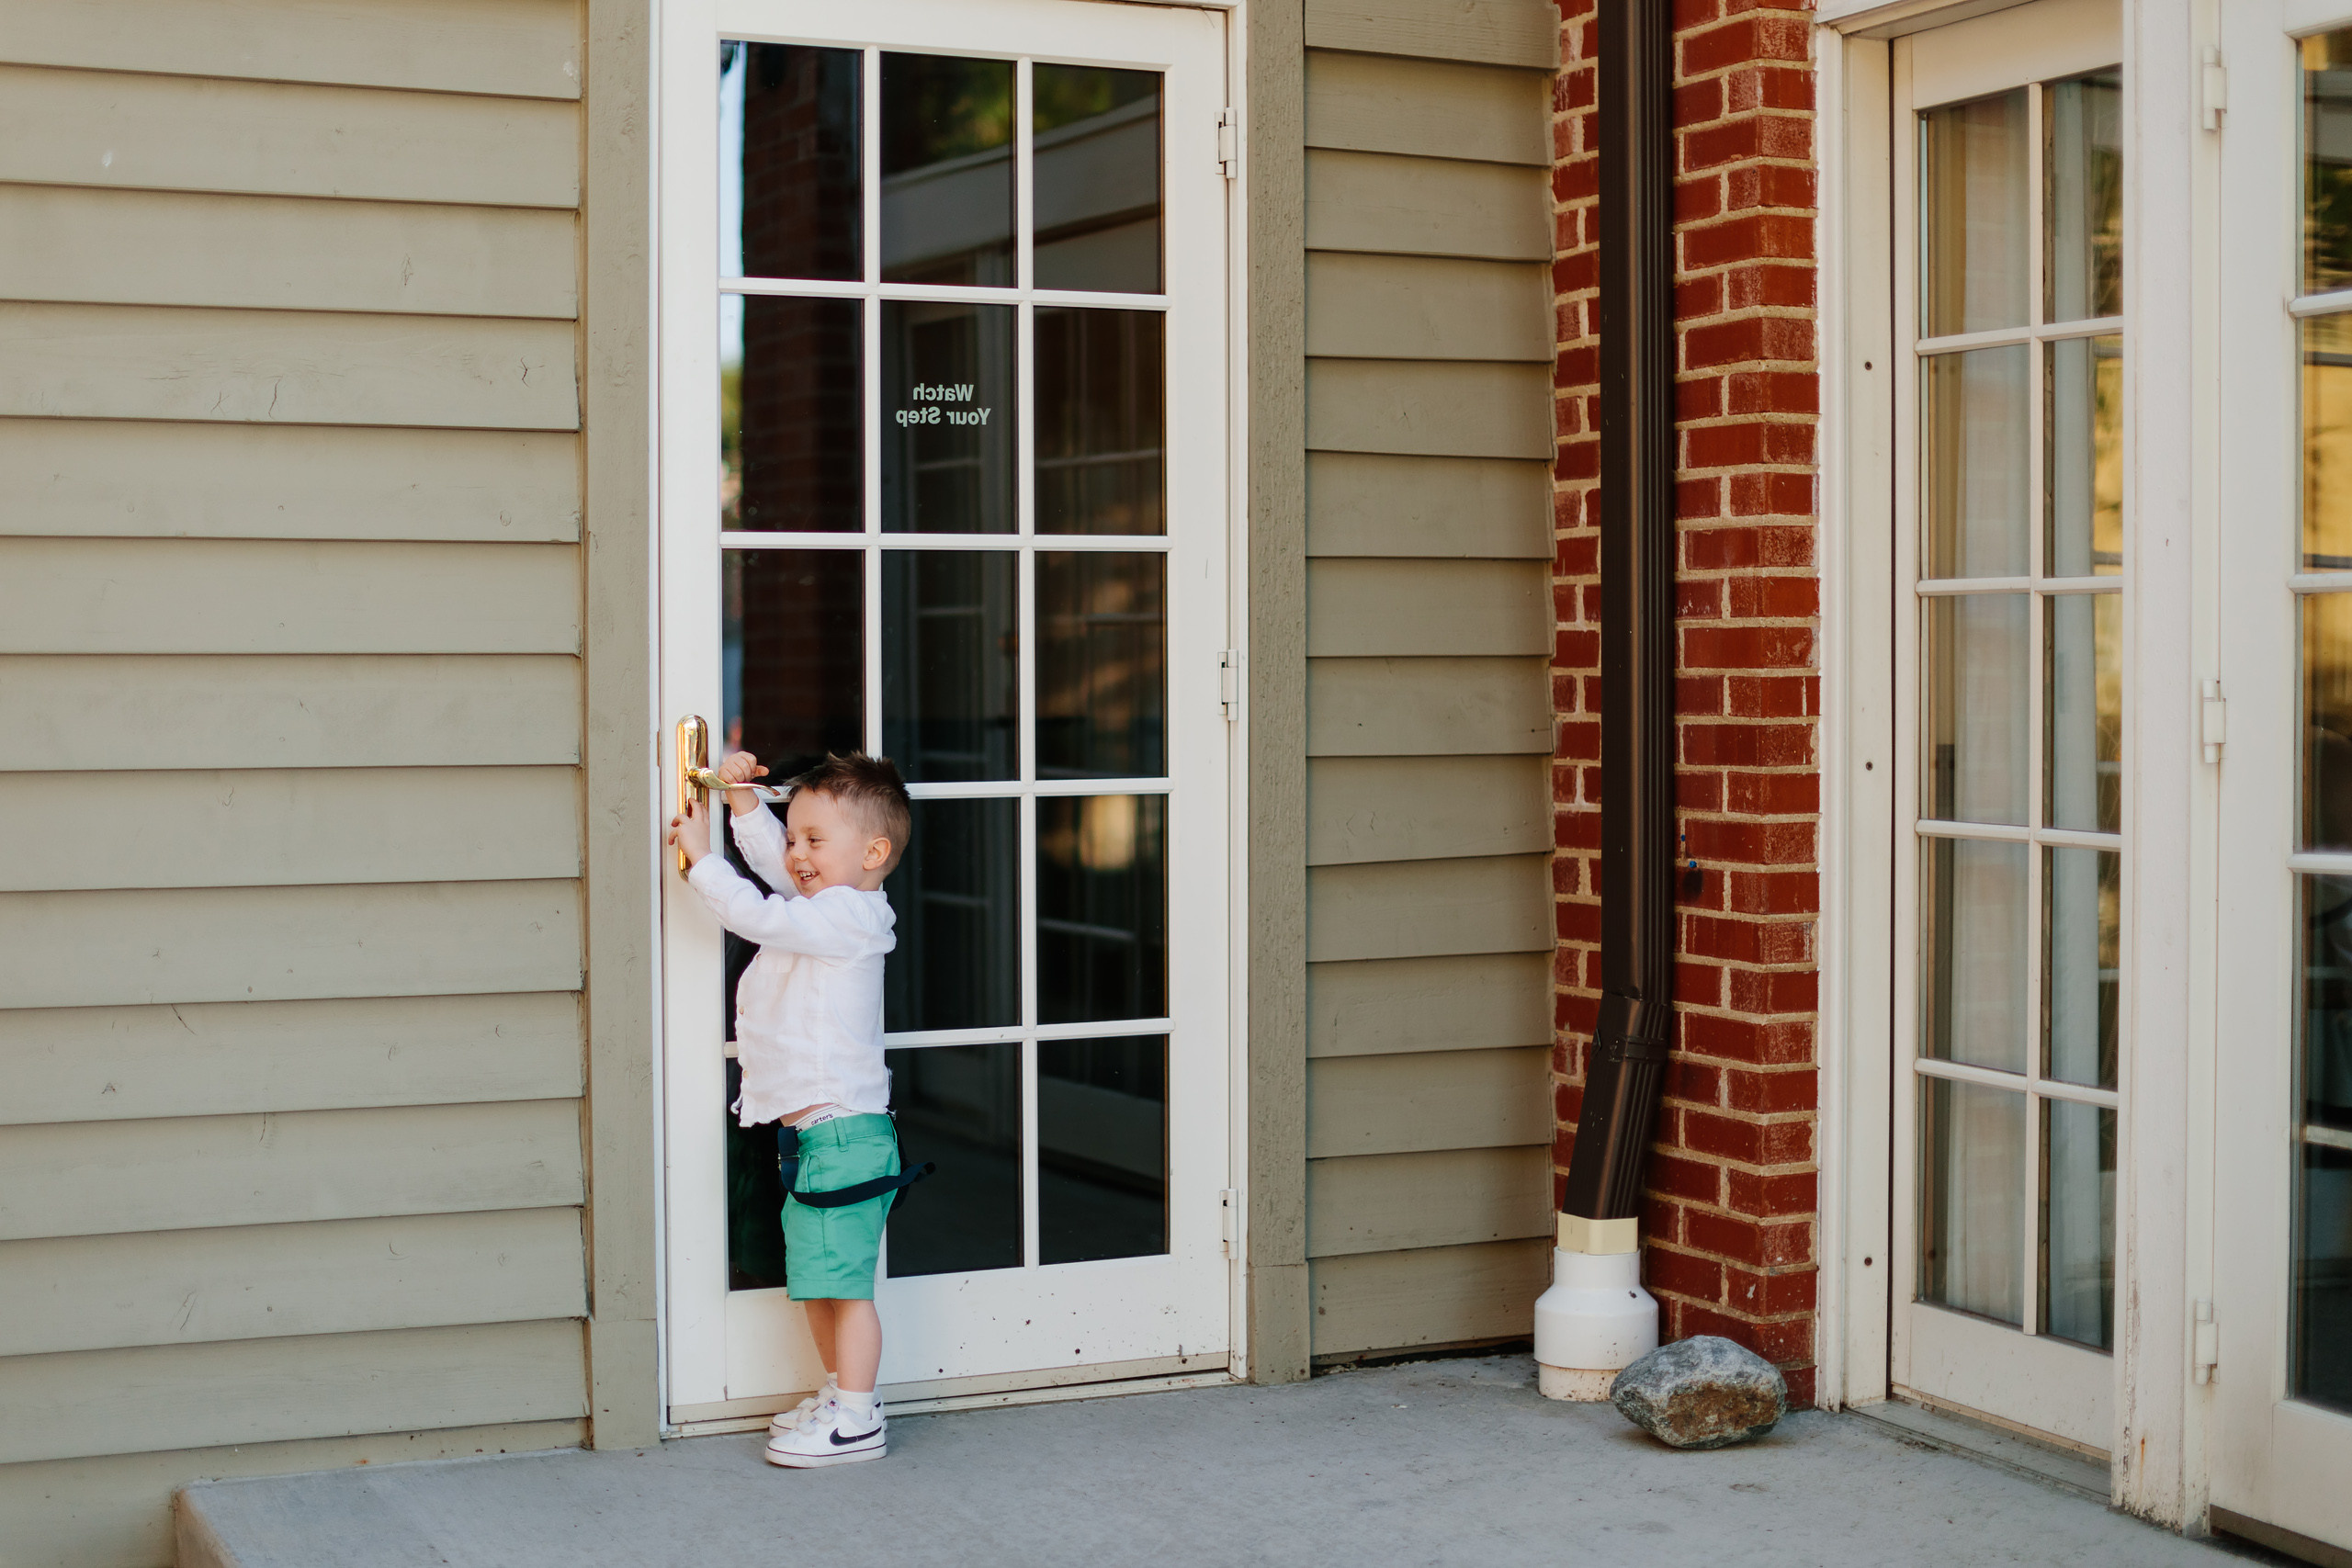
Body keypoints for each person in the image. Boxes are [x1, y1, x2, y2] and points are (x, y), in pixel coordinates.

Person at [668, 749, 913, 1468]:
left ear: (873, 851)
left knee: (846, 1290)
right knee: (818, 1280)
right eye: (793, 834)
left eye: (814, 839)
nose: (796, 852)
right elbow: (781, 875)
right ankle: (842, 1393)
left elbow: (762, 912)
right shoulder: (828, 902)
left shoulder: (852, 918)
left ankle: (859, 1417)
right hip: (818, 1137)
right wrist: (745, 805)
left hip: (844, 1135)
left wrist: (701, 861)